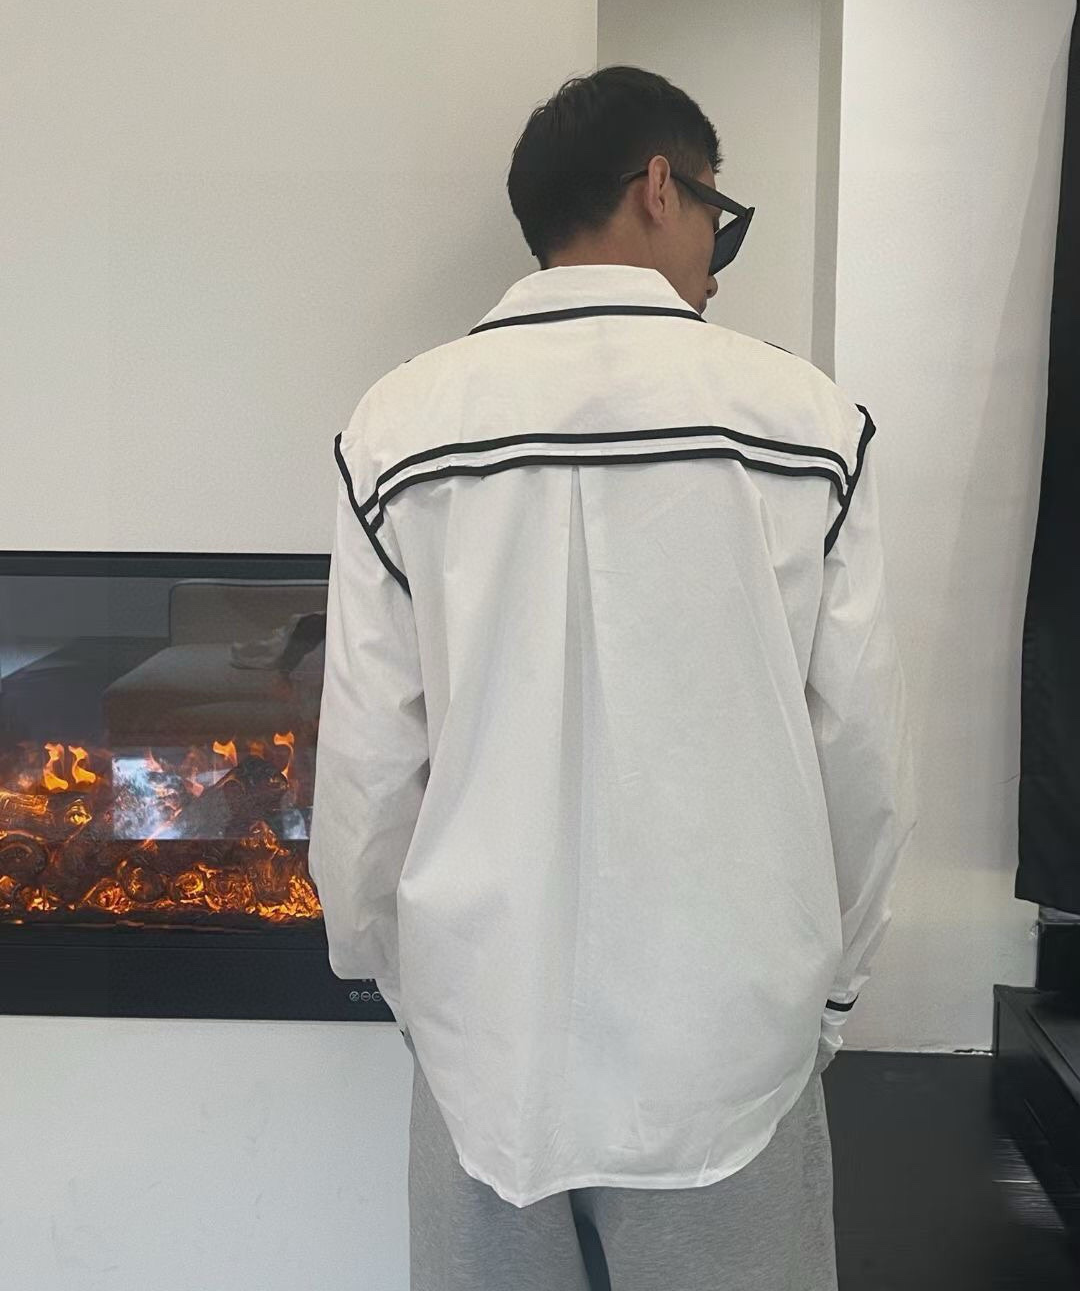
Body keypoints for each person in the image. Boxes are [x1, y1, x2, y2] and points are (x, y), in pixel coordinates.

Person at [307, 64, 918, 1290]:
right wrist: (829, 995)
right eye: (718, 215)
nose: (716, 259)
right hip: (732, 1039)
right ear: (658, 186)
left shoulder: (397, 429)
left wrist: (407, 986)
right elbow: (863, 760)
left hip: (487, 1043)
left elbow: (367, 770)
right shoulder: (807, 424)